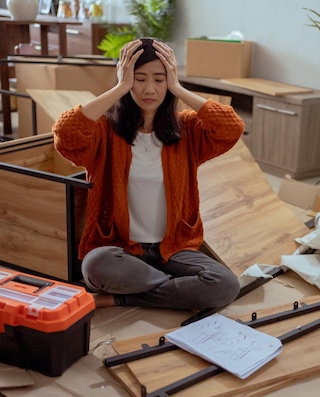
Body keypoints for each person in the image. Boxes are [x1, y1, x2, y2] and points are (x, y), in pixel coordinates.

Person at [52, 38, 244, 311]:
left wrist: (178, 87)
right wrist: (119, 87)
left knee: (225, 284)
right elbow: (66, 134)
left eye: (159, 79)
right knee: (94, 266)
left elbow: (231, 128)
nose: (149, 89)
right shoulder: (105, 132)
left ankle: (123, 298)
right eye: (139, 79)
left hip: (173, 250)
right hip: (121, 251)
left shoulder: (186, 129)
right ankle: (178, 289)